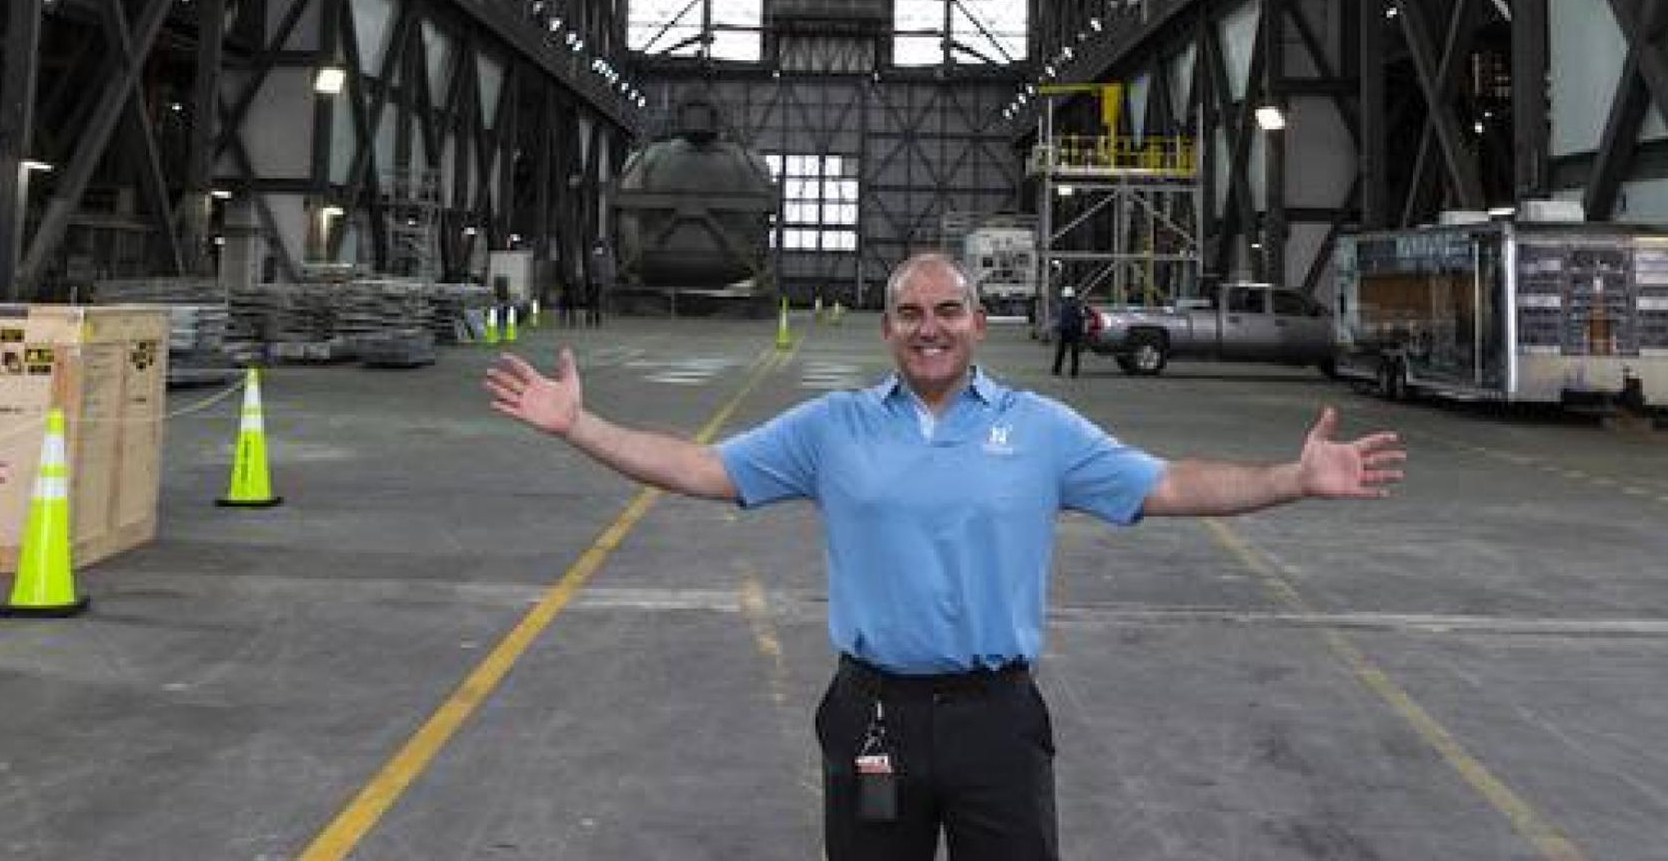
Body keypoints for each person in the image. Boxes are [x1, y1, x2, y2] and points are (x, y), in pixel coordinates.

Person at [484, 251, 1406, 861]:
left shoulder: (1041, 430)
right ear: (886, 329)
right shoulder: (832, 428)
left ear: (979, 323)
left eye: (950, 310)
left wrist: (1291, 477)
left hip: (997, 722)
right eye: (911, 312)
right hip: (873, 717)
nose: (931, 326)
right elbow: (700, 466)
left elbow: (1166, 485)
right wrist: (580, 426)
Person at [1050, 285, 1085, 378]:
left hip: (1064, 330)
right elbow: (1081, 317)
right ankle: (1074, 371)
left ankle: (1056, 369)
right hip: (1074, 330)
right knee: (1074, 352)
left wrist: (1057, 328)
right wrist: (1081, 332)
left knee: (1061, 351)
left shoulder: (1062, 305)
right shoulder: (1077, 304)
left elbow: (1060, 318)